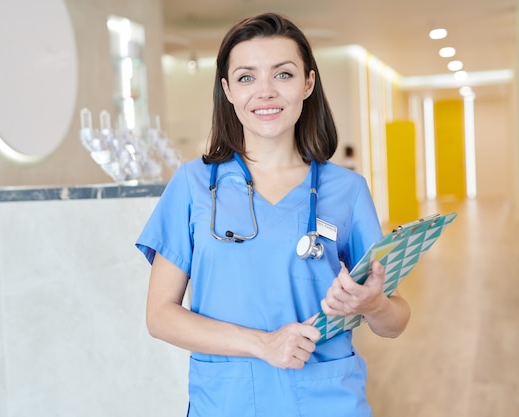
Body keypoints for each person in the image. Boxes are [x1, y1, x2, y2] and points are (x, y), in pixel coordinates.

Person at [136, 12, 410, 416]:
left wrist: (373, 306)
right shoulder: (194, 184)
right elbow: (160, 316)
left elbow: (396, 319)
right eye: (247, 77)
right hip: (227, 401)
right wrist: (261, 344)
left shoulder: (347, 190)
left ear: (308, 83)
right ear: (227, 90)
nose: (265, 92)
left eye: (282, 74)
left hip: (325, 400)